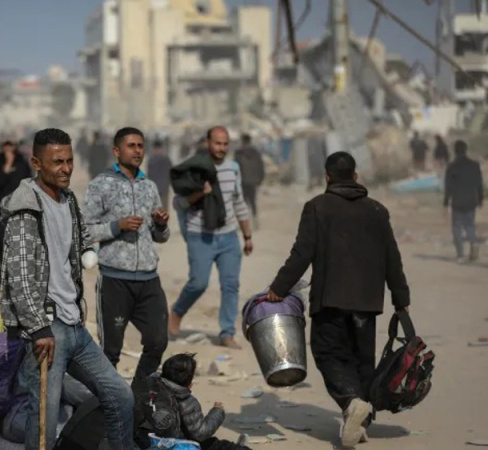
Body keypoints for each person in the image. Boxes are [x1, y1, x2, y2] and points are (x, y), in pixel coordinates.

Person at [0, 128, 135, 450]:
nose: (66, 168)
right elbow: (20, 276)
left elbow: (80, 236)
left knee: (120, 395)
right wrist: (38, 328)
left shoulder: (69, 199)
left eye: (69, 161)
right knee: (43, 425)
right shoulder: (25, 209)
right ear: (37, 163)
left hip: (74, 325)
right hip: (47, 330)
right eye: (57, 162)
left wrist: (88, 249)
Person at [265, 152, 410, 448]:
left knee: (327, 353)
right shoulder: (377, 210)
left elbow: (302, 253)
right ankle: (359, 421)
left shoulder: (317, 207)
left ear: (327, 177)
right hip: (367, 302)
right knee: (361, 361)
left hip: (330, 298)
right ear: (356, 176)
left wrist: (279, 287)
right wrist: (401, 297)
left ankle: (351, 402)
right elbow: (392, 257)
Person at [83, 127, 170, 394]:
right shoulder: (101, 184)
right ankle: (108, 404)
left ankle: (136, 396)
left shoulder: (149, 186)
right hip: (114, 279)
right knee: (110, 351)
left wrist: (160, 224)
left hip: (148, 278)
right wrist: (116, 226)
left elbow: (161, 237)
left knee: (157, 341)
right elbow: (84, 230)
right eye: (131, 146)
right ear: (116, 151)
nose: (138, 151)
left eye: (140, 146)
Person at [169, 126, 253, 349]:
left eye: (225, 144)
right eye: (217, 143)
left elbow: (238, 202)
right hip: (200, 235)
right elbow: (178, 203)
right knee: (198, 283)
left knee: (231, 285)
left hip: (228, 237)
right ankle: (177, 312)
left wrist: (247, 235)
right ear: (208, 143)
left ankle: (227, 332)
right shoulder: (194, 168)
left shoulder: (233, 169)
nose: (221, 148)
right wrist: (200, 193)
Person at [134, 353, 250, 450]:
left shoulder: (147, 385)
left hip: (140, 441)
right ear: (189, 383)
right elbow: (200, 433)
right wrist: (217, 411)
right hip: (173, 444)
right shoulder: (186, 400)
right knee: (216, 444)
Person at [0, 139, 33, 262]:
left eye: (10, 146)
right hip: (2, 209)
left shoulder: (22, 164)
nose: (8, 149)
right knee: (2, 239)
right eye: (6, 146)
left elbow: (30, 184)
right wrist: (6, 167)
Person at [444, 140, 484, 263]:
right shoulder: (474, 165)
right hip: (471, 200)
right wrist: (480, 199)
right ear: (466, 150)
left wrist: (445, 202)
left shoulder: (452, 166)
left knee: (457, 227)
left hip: (457, 201)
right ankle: (473, 242)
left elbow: (448, 186)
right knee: (470, 225)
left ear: (455, 151)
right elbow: (479, 184)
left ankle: (461, 255)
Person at [234, 133, 265, 228]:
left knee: (242, 203)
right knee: (253, 201)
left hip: (242, 181)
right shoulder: (256, 152)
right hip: (253, 181)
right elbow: (260, 166)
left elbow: (235, 168)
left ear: (242, 141)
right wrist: (260, 179)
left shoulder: (238, 153)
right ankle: (255, 222)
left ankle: (242, 223)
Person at [147, 139, 173, 214]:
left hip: (160, 188)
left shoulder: (152, 160)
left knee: (159, 209)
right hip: (160, 188)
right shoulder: (165, 159)